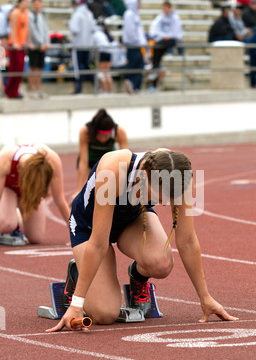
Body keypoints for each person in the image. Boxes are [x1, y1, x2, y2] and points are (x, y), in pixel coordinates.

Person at [46, 148, 238, 332]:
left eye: (168, 198)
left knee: (161, 263)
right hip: (88, 226)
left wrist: (205, 297)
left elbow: (187, 241)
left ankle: (138, 278)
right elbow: (98, 243)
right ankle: (76, 273)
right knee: (105, 315)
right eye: (158, 195)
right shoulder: (113, 170)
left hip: (131, 220)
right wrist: (77, 303)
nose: (162, 202)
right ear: (145, 174)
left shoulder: (179, 173)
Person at [0, 144, 70, 246]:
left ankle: (16, 218)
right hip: (8, 189)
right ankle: (11, 218)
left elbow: (59, 199)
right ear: (21, 170)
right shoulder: (5, 160)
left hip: (31, 191)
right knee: (7, 224)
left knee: (35, 237)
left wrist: (76, 234)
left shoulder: (52, 160)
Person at [75, 108, 128, 195]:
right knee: (87, 190)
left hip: (107, 162)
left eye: (106, 135)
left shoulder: (119, 131)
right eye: (100, 135)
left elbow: (125, 160)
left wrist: (124, 185)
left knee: (106, 191)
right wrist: (79, 189)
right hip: (90, 163)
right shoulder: (85, 131)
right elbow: (83, 162)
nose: (103, 138)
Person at [148, 0, 182, 91]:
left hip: (171, 40)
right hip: (162, 40)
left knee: (158, 48)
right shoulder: (161, 17)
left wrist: (167, 36)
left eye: (166, 8)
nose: (165, 10)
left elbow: (176, 33)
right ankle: (155, 67)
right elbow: (154, 29)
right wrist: (160, 36)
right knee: (156, 48)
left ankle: (155, 65)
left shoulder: (175, 18)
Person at [68, 0, 96, 94]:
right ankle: (95, 85)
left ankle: (78, 89)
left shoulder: (77, 14)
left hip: (78, 45)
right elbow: (93, 29)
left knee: (77, 68)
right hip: (87, 45)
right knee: (87, 66)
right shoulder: (89, 14)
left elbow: (74, 29)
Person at [4, 0, 29, 99]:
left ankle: (14, 90)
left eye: (26, 2)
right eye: (23, 2)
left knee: (20, 69)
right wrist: (14, 43)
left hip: (22, 45)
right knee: (15, 69)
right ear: (19, 3)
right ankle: (10, 91)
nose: (25, 4)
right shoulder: (15, 13)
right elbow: (13, 29)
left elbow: (26, 29)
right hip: (15, 45)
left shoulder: (26, 13)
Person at [122, 0, 147, 94]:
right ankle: (131, 83)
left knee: (139, 65)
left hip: (137, 44)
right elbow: (130, 31)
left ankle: (136, 86)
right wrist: (136, 41)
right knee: (135, 65)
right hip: (133, 44)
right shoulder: (129, 14)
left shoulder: (134, 14)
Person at [27, 0, 50, 99]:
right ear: (33, 4)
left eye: (39, 3)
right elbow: (32, 31)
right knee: (33, 68)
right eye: (35, 3)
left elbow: (45, 30)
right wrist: (40, 43)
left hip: (42, 46)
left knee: (39, 68)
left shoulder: (42, 15)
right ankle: (32, 90)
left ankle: (38, 89)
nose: (37, 5)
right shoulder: (31, 16)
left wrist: (46, 42)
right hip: (34, 46)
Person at [92, 18, 114, 93]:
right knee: (107, 73)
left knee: (101, 73)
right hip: (108, 52)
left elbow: (93, 46)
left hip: (102, 53)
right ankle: (110, 91)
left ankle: (104, 91)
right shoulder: (103, 33)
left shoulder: (95, 34)